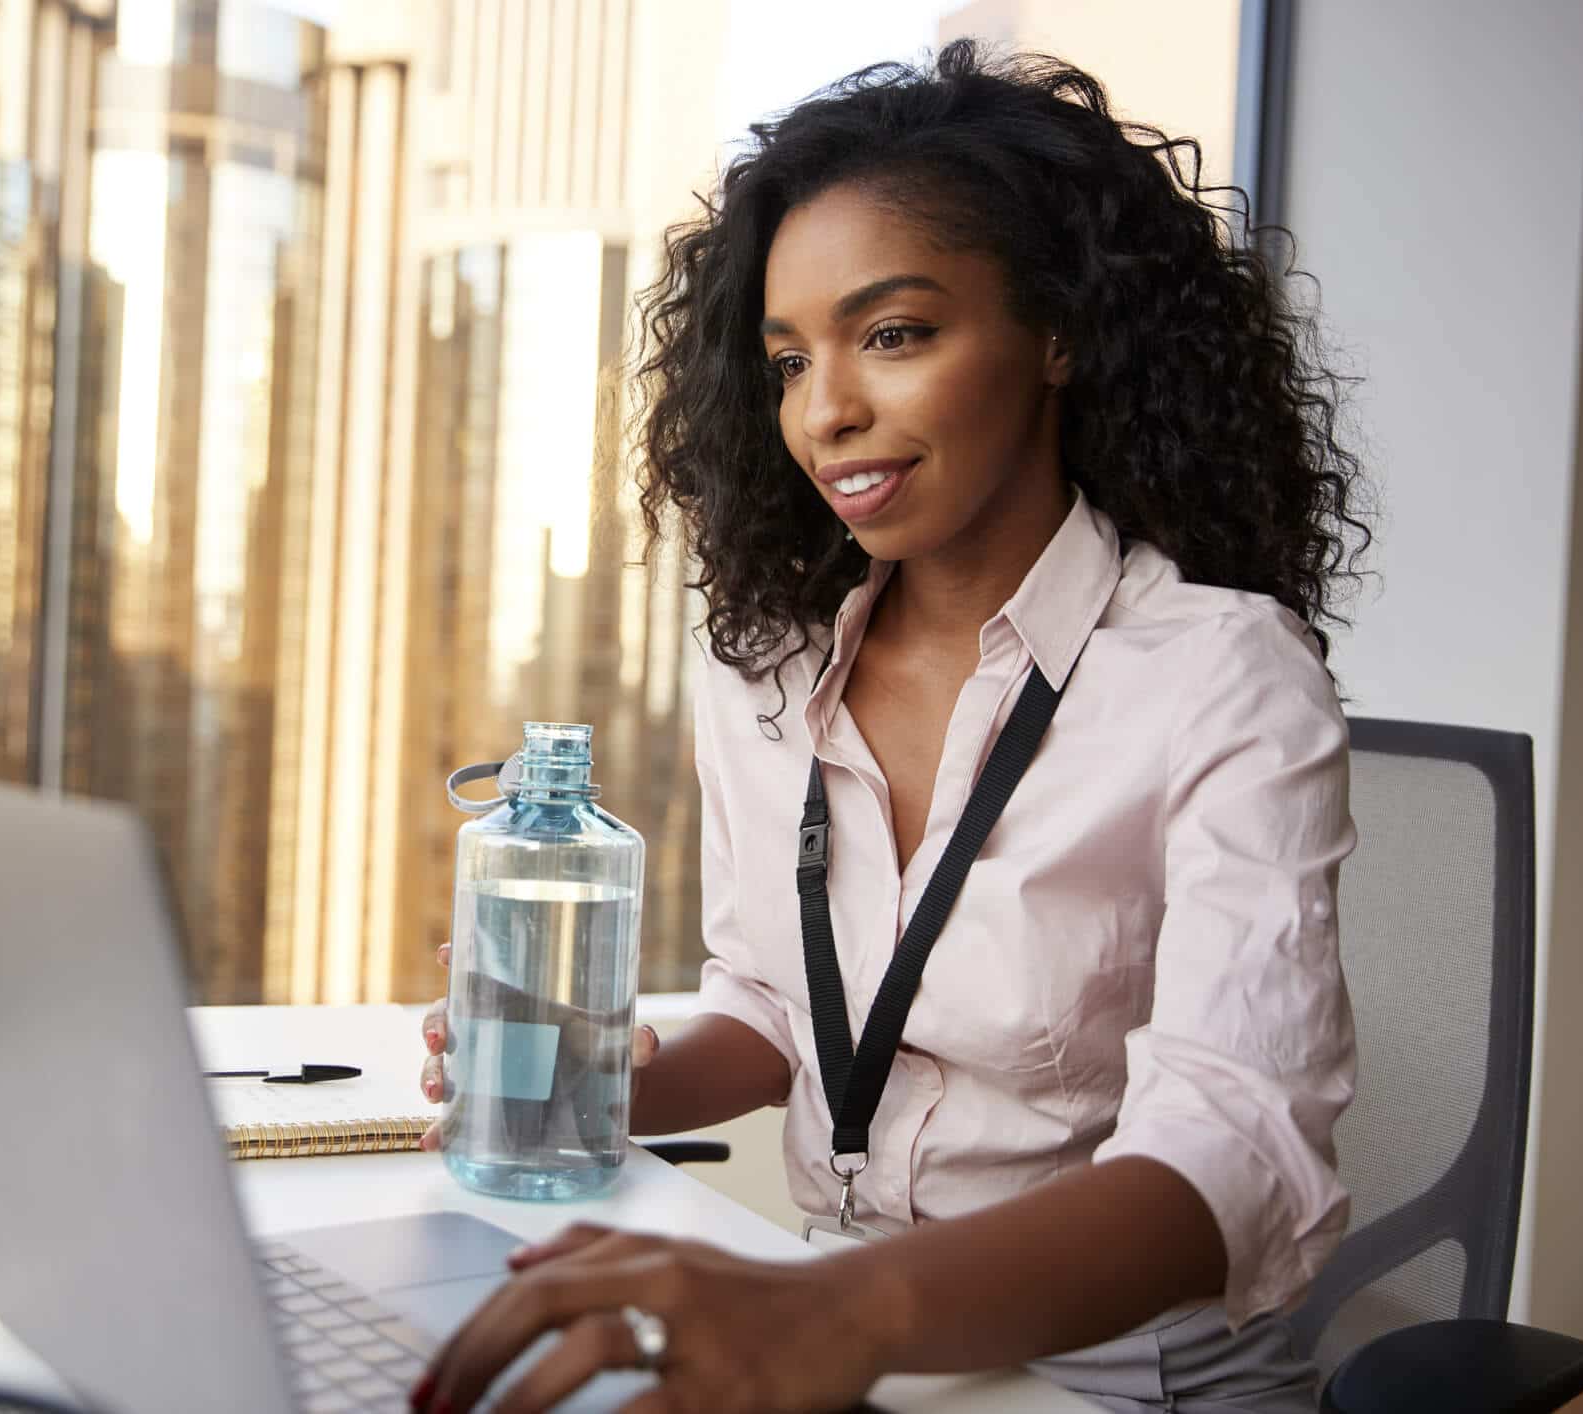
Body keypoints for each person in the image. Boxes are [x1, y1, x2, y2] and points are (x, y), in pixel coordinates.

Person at [412, 39, 1369, 1414]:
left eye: (895, 333)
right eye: (789, 359)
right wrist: (612, 1080)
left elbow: (1226, 1156)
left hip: (1108, 1378)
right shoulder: (767, 666)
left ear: (1057, 333)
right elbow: (769, 998)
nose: (827, 411)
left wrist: (836, 1310)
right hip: (834, 1330)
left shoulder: (1220, 676)